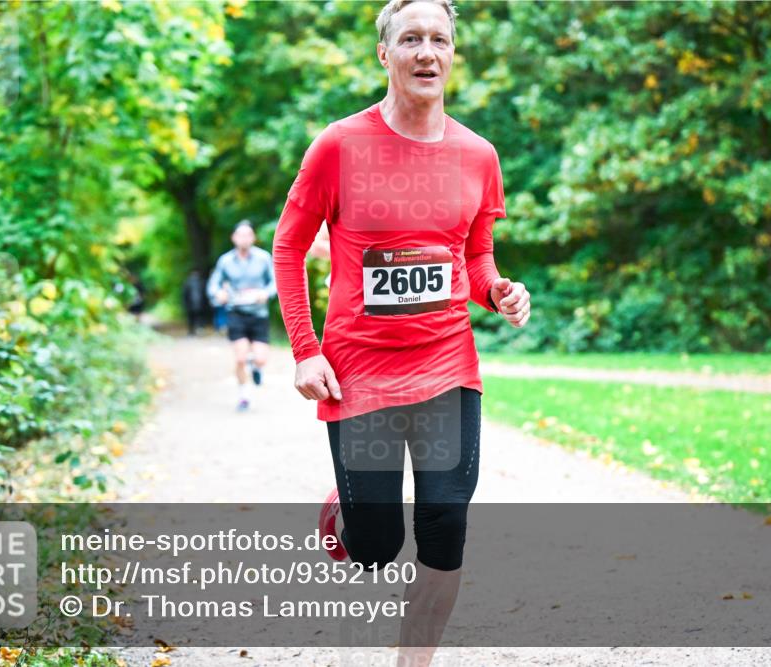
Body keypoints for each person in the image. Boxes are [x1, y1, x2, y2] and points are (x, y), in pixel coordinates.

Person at [272, 1, 530, 665]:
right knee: (377, 546)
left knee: (445, 523)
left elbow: (473, 258)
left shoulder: (478, 154)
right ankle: (351, 515)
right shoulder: (338, 146)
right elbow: (289, 245)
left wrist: (497, 290)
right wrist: (306, 351)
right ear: (383, 53)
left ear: (452, 54)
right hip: (360, 374)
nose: (426, 52)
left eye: (438, 39)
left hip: (448, 366)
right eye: (410, 38)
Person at [207, 220, 277, 412]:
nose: (244, 238)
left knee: (261, 359)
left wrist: (266, 294)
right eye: (240, 235)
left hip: (258, 313)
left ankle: (256, 368)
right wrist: (217, 295)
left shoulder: (263, 258)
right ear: (234, 238)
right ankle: (244, 395)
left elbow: (275, 282)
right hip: (235, 312)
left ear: (253, 237)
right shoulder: (225, 261)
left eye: (248, 235)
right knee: (240, 358)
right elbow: (213, 285)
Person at [181, 268, 206, 335]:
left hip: (190, 305)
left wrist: (185, 304)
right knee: (199, 317)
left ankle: (191, 331)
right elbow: (204, 294)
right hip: (200, 304)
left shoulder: (187, 282)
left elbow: (184, 295)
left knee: (191, 318)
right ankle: (199, 329)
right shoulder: (202, 282)